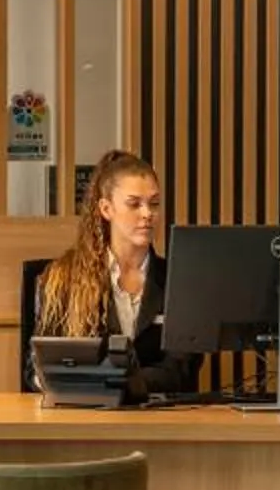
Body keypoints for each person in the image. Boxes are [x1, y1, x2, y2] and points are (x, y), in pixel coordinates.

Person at [20, 148, 201, 397]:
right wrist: (62, 380)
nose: (148, 214)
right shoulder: (64, 278)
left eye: (154, 204)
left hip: (159, 421)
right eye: (134, 204)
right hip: (85, 419)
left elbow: (182, 370)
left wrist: (118, 381)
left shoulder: (179, 281)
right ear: (106, 209)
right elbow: (35, 370)